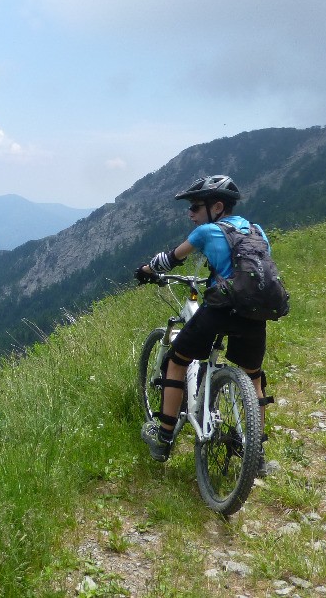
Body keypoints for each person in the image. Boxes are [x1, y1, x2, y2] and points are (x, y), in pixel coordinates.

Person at [134, 175, 273, 471]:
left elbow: (170, 259)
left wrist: (145, 270)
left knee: (176, 359)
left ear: (217, 206)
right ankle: (256, 455)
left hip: (221, 308)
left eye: (196, 207)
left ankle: (163, 438)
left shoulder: (208, 232)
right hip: (255, 313)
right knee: (253, 376)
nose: (191, 214)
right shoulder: (256, 230)